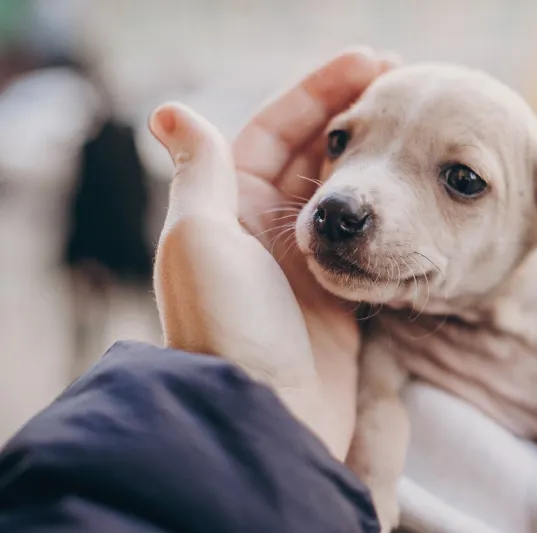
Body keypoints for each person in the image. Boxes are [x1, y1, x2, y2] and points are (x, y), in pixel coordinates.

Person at [0, 48, 397, 533]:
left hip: (100, 253)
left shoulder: (105, 137)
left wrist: (227, 390)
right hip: (108, 252)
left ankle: (86, 349)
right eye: (339, 141)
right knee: (102, 315)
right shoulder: (109, 136)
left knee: (97, 315)